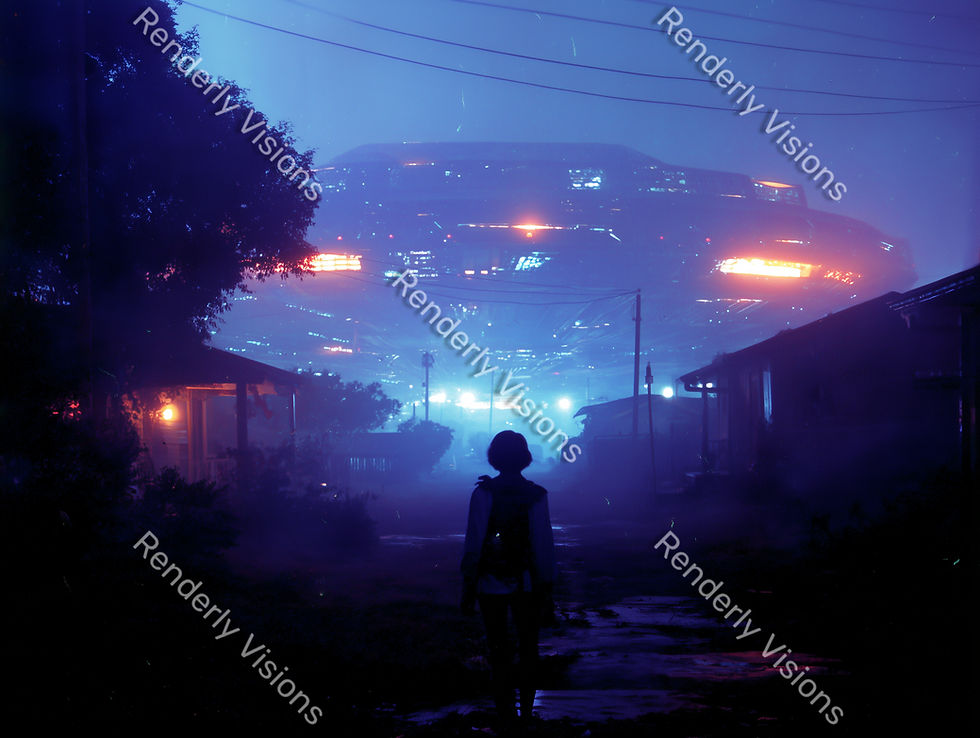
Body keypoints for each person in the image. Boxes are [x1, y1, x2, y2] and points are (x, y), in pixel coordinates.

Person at [460, 430, 557, 726]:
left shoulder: (483, 493)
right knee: (528, 646)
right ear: (525, 458)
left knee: (498, 647)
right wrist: (546, 587)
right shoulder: (537, 495)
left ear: (494, 458)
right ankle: (526, 713)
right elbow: (543, 544)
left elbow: (474, 543)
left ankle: (505, 714)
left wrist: (468, 585)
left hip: (490, 583)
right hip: (527, 583)